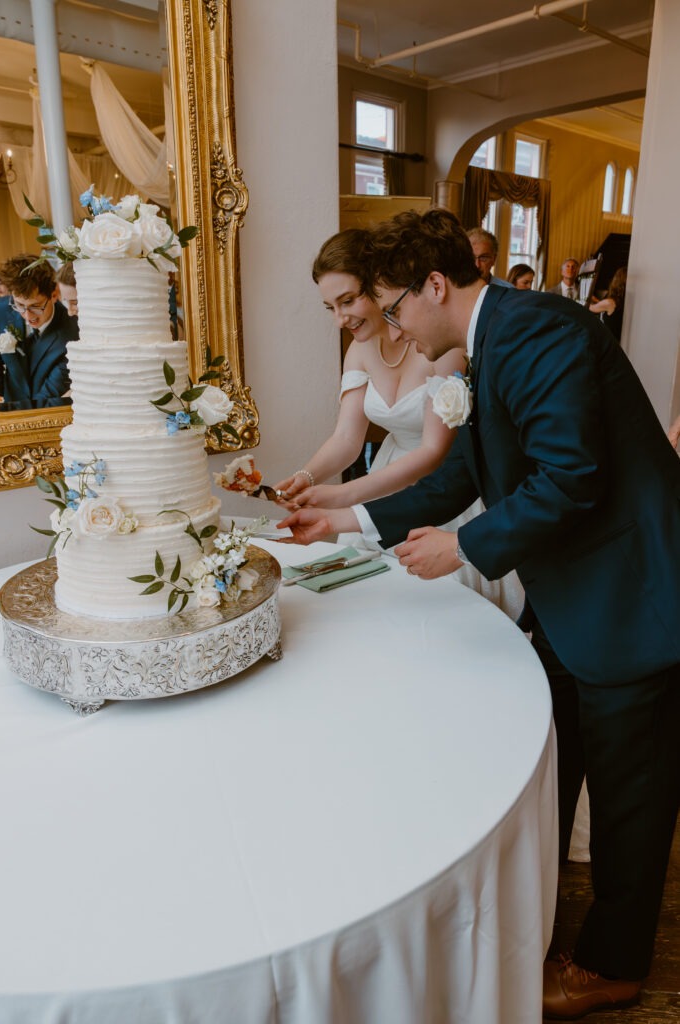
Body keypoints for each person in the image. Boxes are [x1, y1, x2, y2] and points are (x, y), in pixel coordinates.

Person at [279, 208, 680, 1020]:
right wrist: (344, 519)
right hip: (571, 597)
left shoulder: (537, 330)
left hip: (626, 598)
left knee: (631, 792)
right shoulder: (492, 341)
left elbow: (570, 477)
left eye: (392, 309)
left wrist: (464, 551)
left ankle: (614, 966)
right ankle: (532, 918)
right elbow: (461, 472)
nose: (390, 327)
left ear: (434, 286)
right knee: (555, 755)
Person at [274, 229, 524, 617]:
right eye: (331, 307)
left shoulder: (437, 342)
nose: (340, 319)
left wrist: (340, 495)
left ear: (377, 287)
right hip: (385, 474)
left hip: (443, 490)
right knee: (375, 605)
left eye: (348, 300)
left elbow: (431, 452)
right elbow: (346, 438)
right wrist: (305, 478)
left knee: (438, 610)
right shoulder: (359, 350)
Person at [0, 254, 78, 411]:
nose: (28, 316)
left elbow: (49, 396)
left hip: (45, 416)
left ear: (54, 294)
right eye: (19, 304)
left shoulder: (72, 335)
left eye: (36, 306)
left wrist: (4, 409)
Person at [589, 267, 626, 342]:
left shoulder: (610, 302)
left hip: (610, 342)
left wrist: (588, 296)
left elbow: (590, 307)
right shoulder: (621, 301)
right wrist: (596, 300)